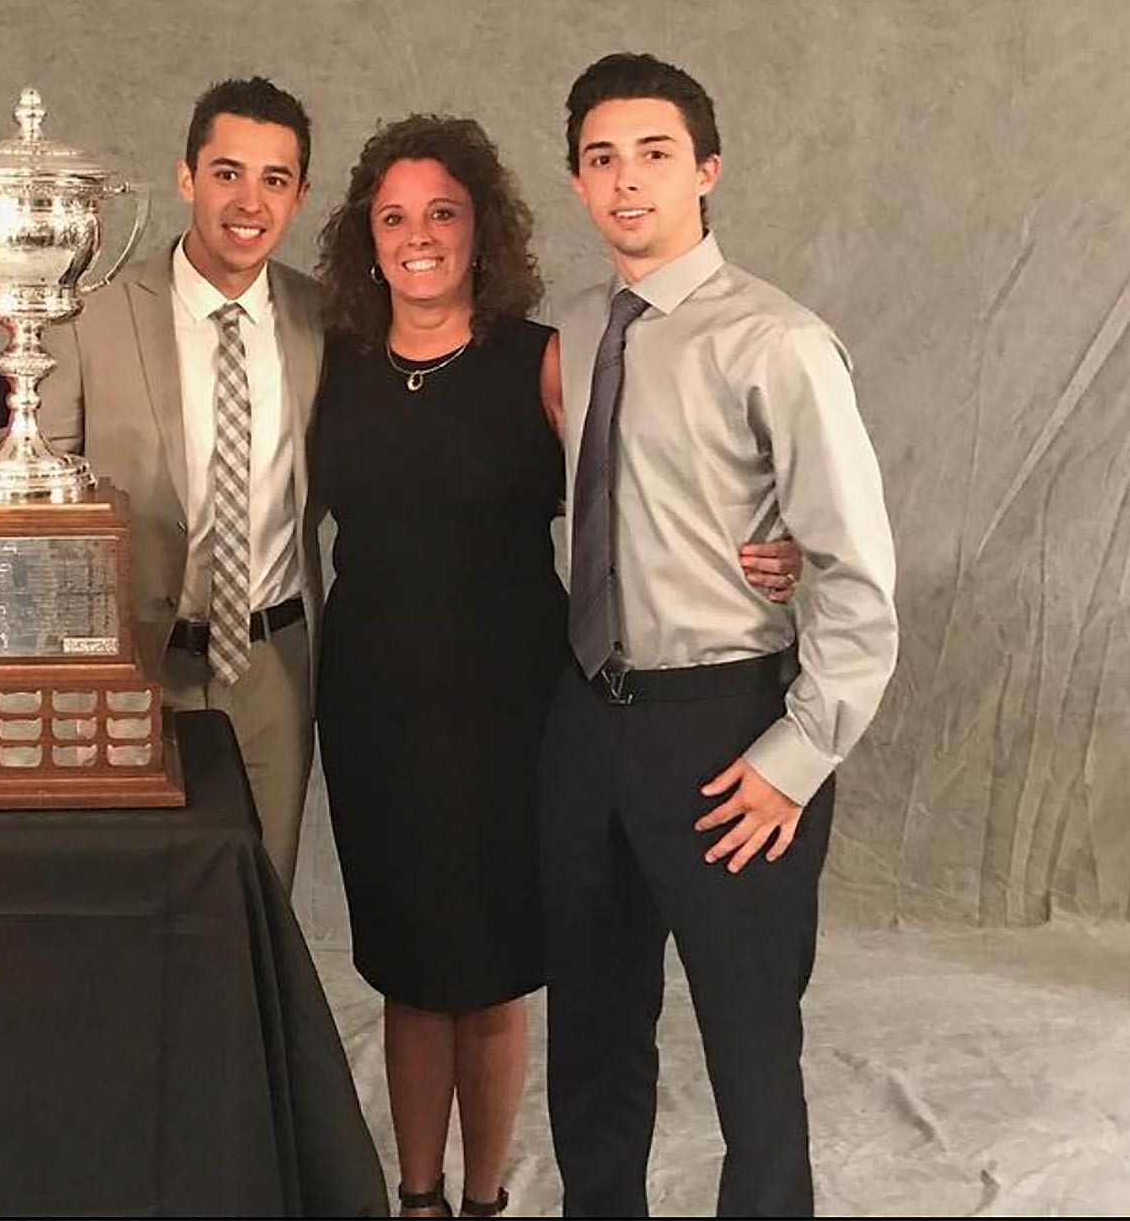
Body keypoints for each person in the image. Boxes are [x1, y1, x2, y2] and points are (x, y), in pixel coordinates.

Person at [310, 115, 802, 1219]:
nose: (418, 234)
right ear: (365, 236)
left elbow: (651, 486)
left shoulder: (543, 357)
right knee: (404, 957)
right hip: (373, 708)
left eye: (443, 211)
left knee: (489, 959)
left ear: (481, 227)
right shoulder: (330, 363)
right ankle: (418, 1194)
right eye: (393, 215)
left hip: (513, 706)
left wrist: (787, 541)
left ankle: (482, 1195)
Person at [542, 53, 898, 1217]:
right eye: (599, 158)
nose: (624, 179)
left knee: (751, 1058)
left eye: (651, 152)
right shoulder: (580, 326)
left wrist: (794, 759)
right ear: (577, 182)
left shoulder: (779, 342)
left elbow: (852, 578)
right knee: (592, 1040)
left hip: (729, 732)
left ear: (706, 168)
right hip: (590, 719)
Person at [39, 76, 323, 888]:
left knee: (259, 901)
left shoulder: (320, 320)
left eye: (276, 179)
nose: (250, 201)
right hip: (137, 661)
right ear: (186, 177)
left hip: (273, 668)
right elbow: (45, 484)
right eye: (228, 172)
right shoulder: (92, 313)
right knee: (140, 904)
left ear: (299, 195)